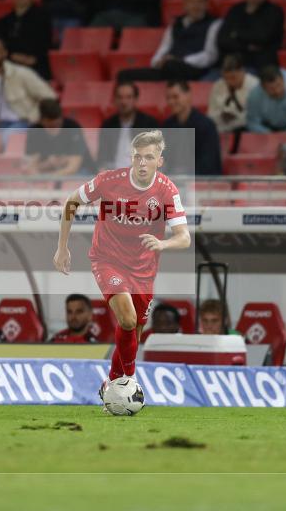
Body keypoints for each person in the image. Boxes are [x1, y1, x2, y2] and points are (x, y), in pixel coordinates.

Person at [54, 130, 191, 401]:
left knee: (134, 332)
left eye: (149, 157)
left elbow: (184, 237)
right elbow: (72, 201)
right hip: (108, 259)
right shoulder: (109, 181)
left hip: (143, 269)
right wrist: (62, 247)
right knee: (127, 319)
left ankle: (113, 385)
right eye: (137, 157)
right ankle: (128, 381)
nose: (142, 163)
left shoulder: (166, 190)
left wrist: (163, 244)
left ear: (159, 161)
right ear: (131, 158)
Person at [117, 0, 221, 83]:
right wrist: (157, 62)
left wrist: (181, 60)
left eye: (200, 1)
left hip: (193, 69)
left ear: (207, 4)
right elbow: (164, 47)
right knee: (124, 75)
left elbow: (210, 55)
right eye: (192, 1)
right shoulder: (175, 24)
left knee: (171, 66)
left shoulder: (214, 24)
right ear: (185, 4)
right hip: (168, 68)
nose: (196, 5)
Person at [0, 37, 56, 130]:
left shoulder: (22, 73)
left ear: (5, 53)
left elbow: (49, 96)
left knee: (7, 138)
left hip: (21, 122)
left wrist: (32, 116)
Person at [216, 0, 285, 72]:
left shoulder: (274, 12)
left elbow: (262, 37)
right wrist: (247, 46)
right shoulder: (235, 10)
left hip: (260, 67)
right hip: (231, 66)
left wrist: (236, 34)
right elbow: (222, 39)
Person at [0, 0, 54, 79]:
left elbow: (42, 49)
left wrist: (18, 57)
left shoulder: (43, 18)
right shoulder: (2, 22)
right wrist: (11, 56)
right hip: (7, 67)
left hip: (35, 70)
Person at [161, 81, 222, 176]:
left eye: (175, 97)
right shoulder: (167, 125)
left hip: (202, 184)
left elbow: (208, 164)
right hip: (175, 182)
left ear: (188, 95)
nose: (171, 102)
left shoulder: (206, 125)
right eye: (168, 98)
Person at [96, 81, 160, 170]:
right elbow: (102, 158)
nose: (124, 102)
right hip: (114, 175)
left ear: (135, 99)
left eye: (128, 97)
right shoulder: (108, 125)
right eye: (120, 97)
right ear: (114, 100)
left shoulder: (149, 124)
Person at [26, 99, 94, 176]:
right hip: (47, 172)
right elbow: (30, 166)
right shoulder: (34, 131)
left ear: (61, 118)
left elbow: (73, 167)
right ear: (41, 121)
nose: (55, 129)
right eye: (50, 126)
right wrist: (47, 164)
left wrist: (48, 177)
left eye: (58, 124)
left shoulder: (72, 127)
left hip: (79, 171)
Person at [208, 54, 259, 136]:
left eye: (233, 78)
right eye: (226, 78)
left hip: (246, 128)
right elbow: (211, 113)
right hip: (220, 127)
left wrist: (236, 117)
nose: (229, 82)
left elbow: (255, 116)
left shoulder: (255, 86)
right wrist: (220, 115)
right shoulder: (218, 85)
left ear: (242, 71)